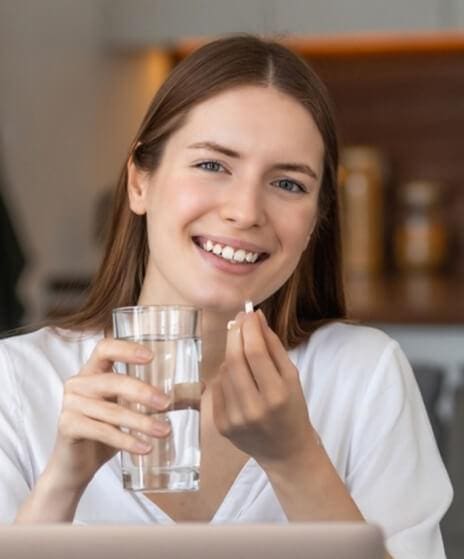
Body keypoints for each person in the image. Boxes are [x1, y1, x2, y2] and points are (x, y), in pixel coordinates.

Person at [0, 35, 451, 558]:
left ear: (316, 222)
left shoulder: (364, 377)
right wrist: (62, 482)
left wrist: (296, 460)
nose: (244, 211)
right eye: (213, 165)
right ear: (139, 181)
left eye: (288, 184)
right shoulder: (15, 384)